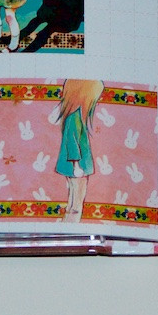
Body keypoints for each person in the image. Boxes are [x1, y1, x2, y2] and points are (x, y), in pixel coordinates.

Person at [53, 79, 104, 222]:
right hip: (77, 167)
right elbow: (72, 143)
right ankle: (72, 223)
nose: (96, 101)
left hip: (73, 167)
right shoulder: (75, 117)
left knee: (72, 198)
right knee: (77, 202)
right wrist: (76, 166)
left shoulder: (74, 115)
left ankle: (67, 220)